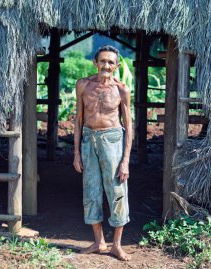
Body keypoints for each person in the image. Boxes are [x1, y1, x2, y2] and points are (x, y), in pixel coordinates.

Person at [73, 45, 132, 261]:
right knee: (91, 190)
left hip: (113, 140)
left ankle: (116, 245)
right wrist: (76, 153)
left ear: (116, 66)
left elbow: (129, 125)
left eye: (110, 62)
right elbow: (78, 119)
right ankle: (99, 242)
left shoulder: (122, 90)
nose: (106, 65)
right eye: (103, 61)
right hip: (89, 140)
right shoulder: (83, 85)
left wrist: (125, 161)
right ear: (95, 63)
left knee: (116, 191)